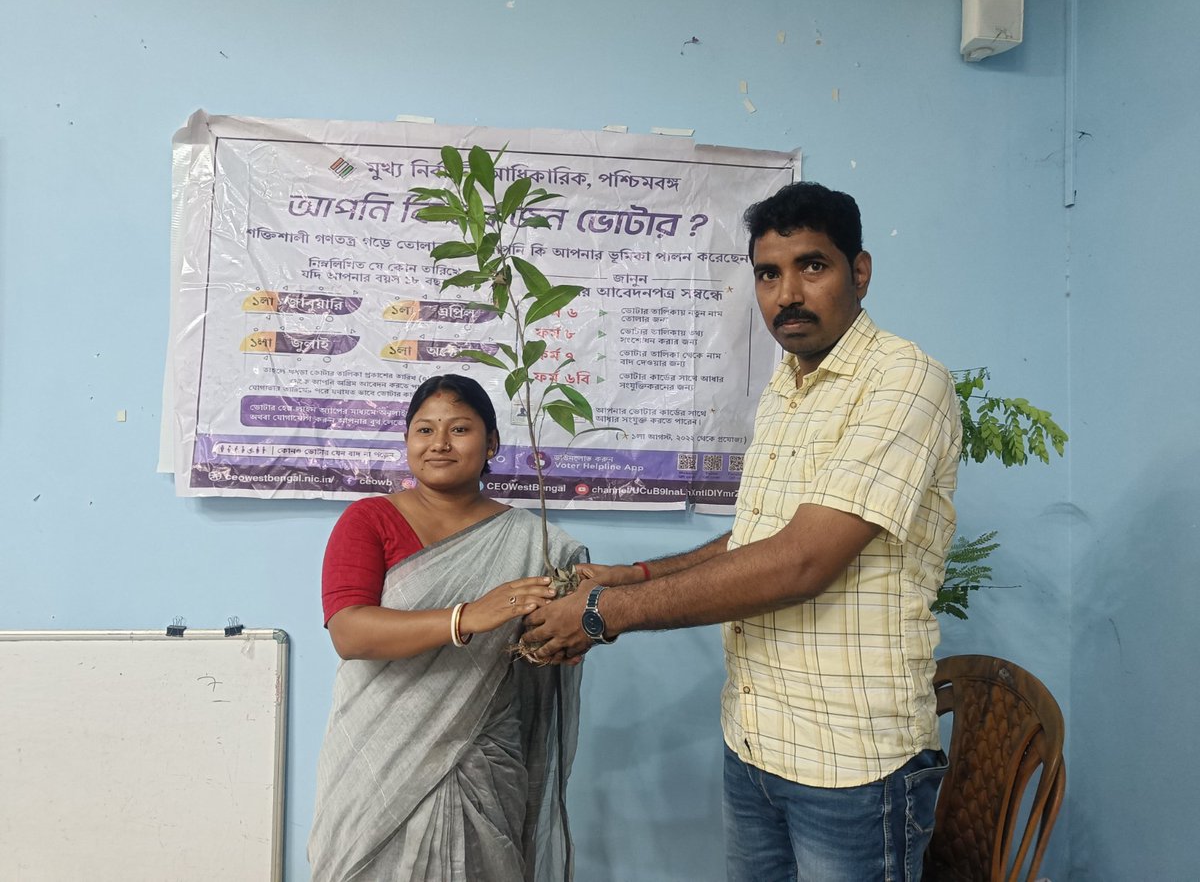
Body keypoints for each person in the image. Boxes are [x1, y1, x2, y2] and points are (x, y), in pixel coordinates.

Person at [523, 182, 962, 881]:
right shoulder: (786, 388)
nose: (787, 292)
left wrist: (607, 616)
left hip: (850, 767)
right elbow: (758, 538)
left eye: (812, 266)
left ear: (861, 271)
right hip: (756, 748)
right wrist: (631, 576)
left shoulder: (905, 382)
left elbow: (801, 562)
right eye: (768, 273)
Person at [309, 373, 586, 882]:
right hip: (377, 753)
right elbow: (350, 632)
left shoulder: (534, 540)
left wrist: (561, 634)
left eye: (459, 429)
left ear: (492, 444)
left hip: (482, 754)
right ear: (407, 441)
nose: (439, 443)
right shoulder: (369, 520)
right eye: (424, 430)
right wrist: (468, 615)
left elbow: (553, 640)